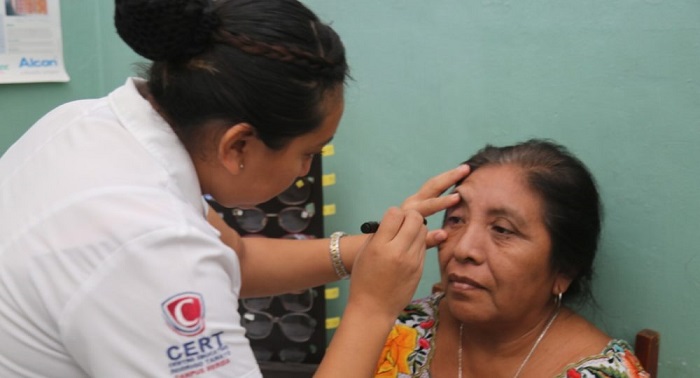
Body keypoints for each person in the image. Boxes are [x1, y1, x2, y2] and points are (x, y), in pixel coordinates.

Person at [0, 1, 470, 377]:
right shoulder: (151, 245)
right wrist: (372, 306)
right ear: (238, 145)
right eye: (309, 152)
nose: (307, 171)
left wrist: (365, 252)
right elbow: (176, 254)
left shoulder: (87, 123)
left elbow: (236, 258)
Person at [374, 139, 650, 378]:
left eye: (502, 230)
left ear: (564, 270)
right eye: (456, 220)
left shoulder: (606, 372)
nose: (462, 249)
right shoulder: (399, 330)